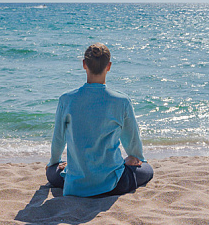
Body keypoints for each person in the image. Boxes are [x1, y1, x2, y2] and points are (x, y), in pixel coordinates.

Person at [46, 43, 153, 197]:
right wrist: (135, 159)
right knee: (147, 169)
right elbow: (132, 143)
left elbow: (58, 140)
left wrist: (54, 162)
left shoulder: (66, 99)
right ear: (108, 66)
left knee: (52, 171)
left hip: (76, 184)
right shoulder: (122, 101)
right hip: (113, 184)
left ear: (84, 64)